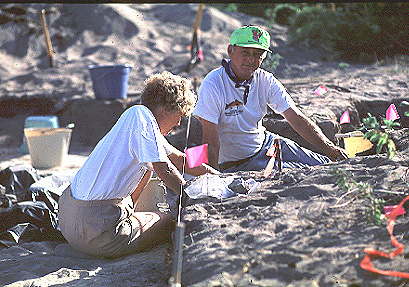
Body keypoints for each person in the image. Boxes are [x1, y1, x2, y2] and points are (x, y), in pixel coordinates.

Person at [58, 71, 219, 258]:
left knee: (146, 169)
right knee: (167, 221)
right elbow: (164, 168)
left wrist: (216, 175)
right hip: (94, 230)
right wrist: (191, 197)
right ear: (165, 109)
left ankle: (128, 217)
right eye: (179, 116)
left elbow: (180, 159)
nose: (178, 123)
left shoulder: (136, 119)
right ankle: (125, 224)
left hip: (68, 219)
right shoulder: (141, 117)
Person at [193, 25, 348, 173]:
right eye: (245, 52)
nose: (251, 60)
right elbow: (210, 142)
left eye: (257, 55)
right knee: (300, 172)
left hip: (268, 143)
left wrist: (329, 147)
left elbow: (296, 118)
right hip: (237, 163)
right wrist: (215, 179)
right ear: (230, 51)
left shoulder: (265, 79)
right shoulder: (213, 84)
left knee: (325, 164)